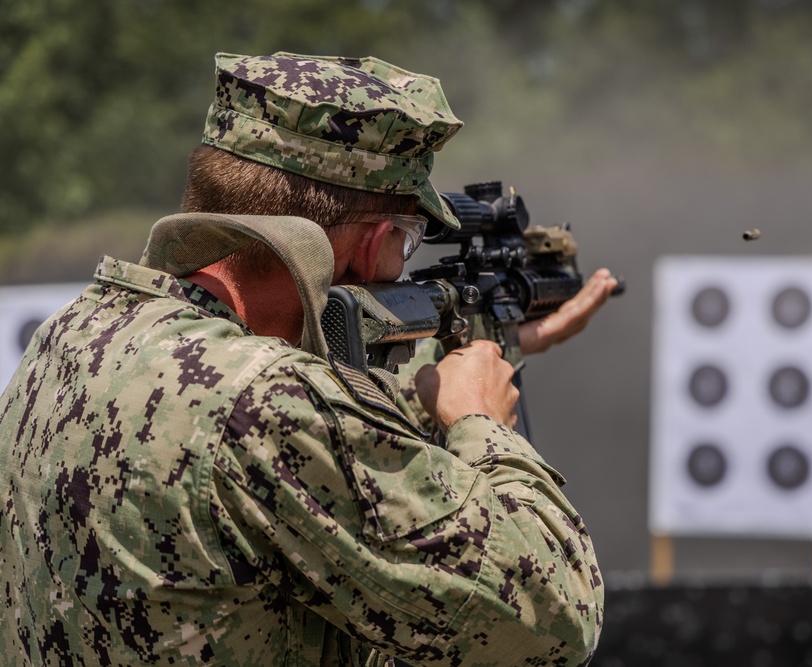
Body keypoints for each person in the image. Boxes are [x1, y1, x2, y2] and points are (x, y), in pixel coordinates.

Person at [0, 53, 618, 666]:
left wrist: (478, 346)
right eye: (408, 241)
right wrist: (479, 423)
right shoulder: (268, 403)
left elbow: (252, 431)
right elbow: (552, 619)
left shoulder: (78, 332)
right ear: (376, 242)